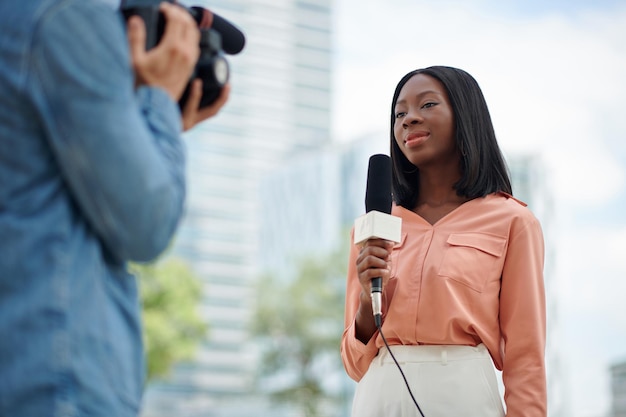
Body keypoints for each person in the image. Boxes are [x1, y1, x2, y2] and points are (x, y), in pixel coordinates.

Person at [0, 0, 229, 416]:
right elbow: (147, 223)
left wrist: (140, 132)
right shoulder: (65, 16)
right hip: (54, 382)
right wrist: (159, 99)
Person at [341, 66, 546, 416]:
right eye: (400, 113)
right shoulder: (375, 225)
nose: (409, 119)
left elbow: (525, 356)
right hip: (378, 399)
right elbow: (354, 364)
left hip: (464, 398)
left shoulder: (513, 221)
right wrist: (365, 301)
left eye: (428, 105)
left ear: (465, 116)